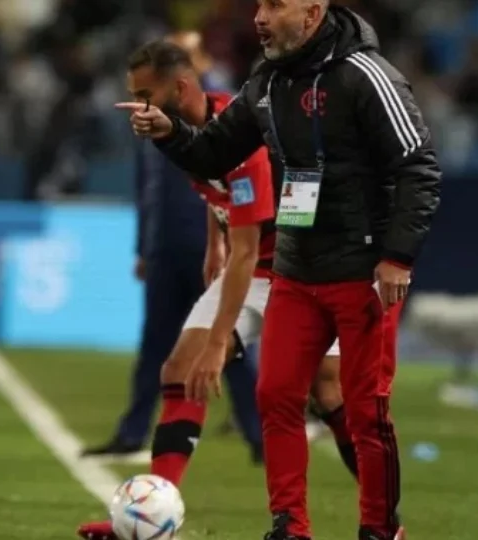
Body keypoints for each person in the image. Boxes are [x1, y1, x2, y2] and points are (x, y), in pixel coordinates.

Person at [116, 2, 442, 539]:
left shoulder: (367, 75)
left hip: (362, 273)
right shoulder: (267, 81)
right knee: (276, 396)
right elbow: (213, 152)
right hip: (295, 269)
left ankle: (381, 530)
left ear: (312, 12)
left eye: (275, 5)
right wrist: (169, 132)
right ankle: (290, 526)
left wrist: (397, 257)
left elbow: (418, 166)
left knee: (365, 411)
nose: (260, 17)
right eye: (260, 5)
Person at [80, 39, 357, 540]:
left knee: (329, 389)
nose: (137, 106)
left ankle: (384, 519)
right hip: (253, 265)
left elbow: (248, 247)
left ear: (181, 88)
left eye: (145, 94)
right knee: (178, 370)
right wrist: (215, 242)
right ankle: (148, 517)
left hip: (304, 268)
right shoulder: (186, 134)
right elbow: (217, 193)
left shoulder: (244, 140)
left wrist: (218, 344)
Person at [81, 47, 264, 463]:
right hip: (168, 248)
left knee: (227, 349)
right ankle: (132, 433)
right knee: (158, 348)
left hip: (230, 249)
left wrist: (218, 244)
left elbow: (227, 184)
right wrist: (145, 247)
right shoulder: (154, 132)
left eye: (146, 91)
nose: (140, 102)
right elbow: (157, 191)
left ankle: (260, 437)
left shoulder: (223, 122)